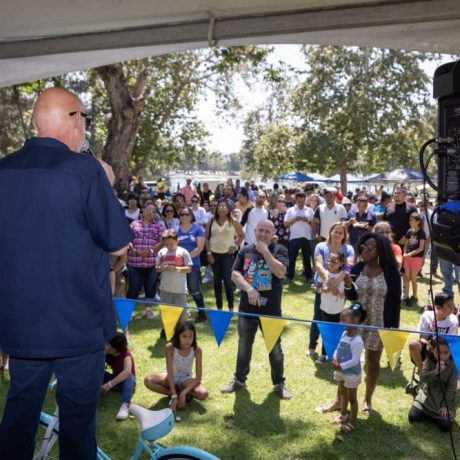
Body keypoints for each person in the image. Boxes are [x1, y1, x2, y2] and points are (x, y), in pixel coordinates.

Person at [0, 87, 132, 460]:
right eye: (83, 121)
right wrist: (103, 183)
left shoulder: (3, 170)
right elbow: (119, 245)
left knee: (18, 417)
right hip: (78, 325)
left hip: (21, 326)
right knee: (77, 428)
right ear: (73, 120)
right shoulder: (85, 170)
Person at [221, 219, 292, 399]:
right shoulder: (245, 250)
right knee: (244, 345)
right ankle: (239, 380)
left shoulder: (280, 250)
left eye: (267, 231)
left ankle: (279, 383)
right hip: (247, 308)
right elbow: (235, 274)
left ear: (273, 233)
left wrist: (266, 252)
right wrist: (249, 288)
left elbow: (280, 272)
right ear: (254, 230)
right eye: (260, 230)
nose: (262, 234)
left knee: (275, 348)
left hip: (271, 310)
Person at [344, 233, 401, 416]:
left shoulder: (391, 273)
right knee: (348, 359)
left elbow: (395, 302)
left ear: (380, 251)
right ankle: (343, 398)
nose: (365, 251)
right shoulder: (358, 267)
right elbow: (351, 296)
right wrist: (346, 285)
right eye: (363, 247)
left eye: (370, 248)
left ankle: (368, 399)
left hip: (379, 322)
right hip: (356, 321)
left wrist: (392, 329)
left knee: (373, 362)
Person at [309, 223, 355, 365]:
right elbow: (318, 265)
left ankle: (332, 351)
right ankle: (312, 346)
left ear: (344, 235)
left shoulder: (348, 248)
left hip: (340, 289)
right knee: (318, 317)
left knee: (337, 320)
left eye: (340, 232)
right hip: (323, 286)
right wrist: (329, 280)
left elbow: (349, 266)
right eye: (335, 231)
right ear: (330, 232)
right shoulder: (321, 246)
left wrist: (337, 281)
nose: (337, 234)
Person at [144, 321, 208, 410]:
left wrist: (183, 393)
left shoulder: (197, 350)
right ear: (178, 336)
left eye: (191, 336)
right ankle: (173, 394)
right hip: (170, 376)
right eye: (184, 336)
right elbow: (170, 373)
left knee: (203, 394)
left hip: (186, 378)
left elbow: (198, 378)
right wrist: (174, 396)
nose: (188, 340)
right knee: (148, 381)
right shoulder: (170, 348)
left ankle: (182, 392)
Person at [408, 337, 457, 432]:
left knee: (445, 426)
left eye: (446, 353)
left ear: (450, 352)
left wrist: (445, 406)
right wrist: (435, 372)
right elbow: (423, 378)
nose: (442, 356)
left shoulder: (453, 365)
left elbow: (452, 387)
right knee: (413, 417)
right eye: (438, 352)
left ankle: (437, 415)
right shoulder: (428, 360)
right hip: (426, 397)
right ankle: (425, 412)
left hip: (442, 400)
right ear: (432, 350)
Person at [330, 304, 365, 433]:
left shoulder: (357, 341)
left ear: (355, 320)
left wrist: (341, 365)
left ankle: (353, 422)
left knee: (352, 398)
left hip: (351, 374)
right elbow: (338, 349)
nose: (340, 322)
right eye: (340, 319)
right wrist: (334, 357)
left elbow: (355, 360)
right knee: (342, 393)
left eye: (343, 320)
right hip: (340, 371)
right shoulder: (344, 334)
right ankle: (343, 415)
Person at [126, 203, 165, 319]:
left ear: (155, 214)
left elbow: (162, 241)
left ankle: (148, 309)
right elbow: (127, 239)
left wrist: (151, 251)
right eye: (147, 210)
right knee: (134, 287)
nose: (149, 212)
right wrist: (136, 251)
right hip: (135, 261)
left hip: (151, 262)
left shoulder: (158, 226)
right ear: (142, 212)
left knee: (150, 286)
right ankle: (127, 311)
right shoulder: (133, 224)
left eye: (153, 211)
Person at [205, 200, 244, 311]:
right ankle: (219, 307)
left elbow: (242, 235)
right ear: (217, 209)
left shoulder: (233, 221)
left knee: (227, 280)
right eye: (220, 206)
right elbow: (206, 238)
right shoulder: (211, 220)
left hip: (227, 254)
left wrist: (235, 246)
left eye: (224, 206)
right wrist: (208, 253)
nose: (222, 208)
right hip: (213, 254)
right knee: (217, 281)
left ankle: (231, 307)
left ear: (228, 209)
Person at [409, 292, 458, 371]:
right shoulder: (427, 316)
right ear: (438, 308)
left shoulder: (453, 320)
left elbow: (449, 341)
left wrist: (436, 346)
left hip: (444, 349)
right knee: (413, 345)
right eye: (449, 306)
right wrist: (428, 343)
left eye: (452, 305)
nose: (452, 308)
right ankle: (423, 372)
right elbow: (422, 338)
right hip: (427, 346)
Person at [177, 206, 207, 322]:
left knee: (194, 288)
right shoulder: (176, 229)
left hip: (193, 264)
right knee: (180, 289)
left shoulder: (197, 229)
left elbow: (200, 248)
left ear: (191, 217)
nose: (184, 217)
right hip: (178, 265)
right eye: (182, 215)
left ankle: (202, 313)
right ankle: (182, 313)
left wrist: (186, 259)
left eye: (187, 214)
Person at [102, 332, 136, 421]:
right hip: (115, 381)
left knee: (129, 376)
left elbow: (127, 372)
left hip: (127, 384)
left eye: (108, 344)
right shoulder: (107, 354)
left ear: (115, 348)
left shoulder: (126, 356)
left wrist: (108, 385)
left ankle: (125, 405)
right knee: (99, 372)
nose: (106, 345)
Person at [156, 229, 193, 311]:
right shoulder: (161, 252)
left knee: (181, 314)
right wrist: (161, 267)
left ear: (177, 241)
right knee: (166, 313)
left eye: (171, 243)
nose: (169, 246)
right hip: (165, 289)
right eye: (166, 244)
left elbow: (189, 269)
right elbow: (157, 269)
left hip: (180, 290)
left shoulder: (183, 252)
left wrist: (177, 269)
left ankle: (181, 323)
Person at [284, 191, 315, 284]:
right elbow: (285, 224)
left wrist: (308, 221)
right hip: (294, 237)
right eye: (299, 202)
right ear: (295, 200)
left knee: (307, 259)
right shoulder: (290, 210)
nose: (301, 204)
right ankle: (290, 277)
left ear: (305, 200)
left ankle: (309, 276)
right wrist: (295, 220)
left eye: (303, 201)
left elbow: (314, 225)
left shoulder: (310, 210)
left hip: (306, 237)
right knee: (292, 258)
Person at [402, 213, 426, 306]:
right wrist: (404, 253)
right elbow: (406, 245)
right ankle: (406, 297)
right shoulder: (409, 231)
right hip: (407, 258)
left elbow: (421, 248)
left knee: (413, 278)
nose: (410, 222)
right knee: (407, 277)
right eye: (410, 220)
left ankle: (415, 296)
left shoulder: (422, 233)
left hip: (416, 258)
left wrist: (410, 254)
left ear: (418, 221)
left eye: (412, 220)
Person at [317, 252, 346, 325]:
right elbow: (317, 289)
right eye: (329, 260)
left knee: (336, 331)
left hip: (338, 310)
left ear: (341, 263)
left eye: (335, 261)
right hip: (325, 309)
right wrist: (323, 290)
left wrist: (335, 290)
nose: (331, 263)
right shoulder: (323, 274)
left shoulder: (343, 276)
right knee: (326, 329)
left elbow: (343, 295)